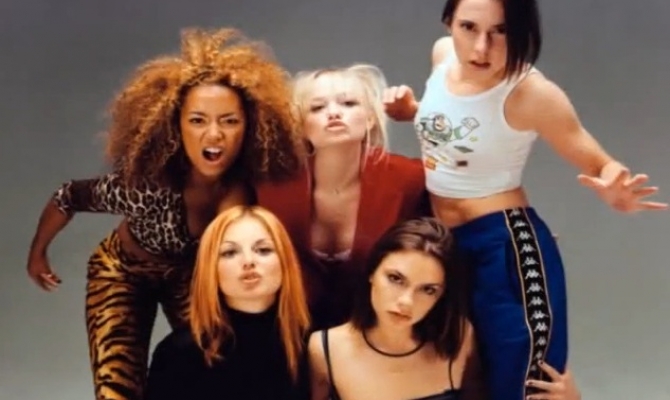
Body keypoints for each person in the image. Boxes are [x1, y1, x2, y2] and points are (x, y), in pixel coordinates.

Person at [382, 0, 668, 398]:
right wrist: (411, 111)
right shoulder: (443, 55)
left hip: (504, 248)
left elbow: (598, 160)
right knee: (447, 372)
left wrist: (614, 187)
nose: (481, 48)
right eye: (469, 27)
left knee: (525, 379)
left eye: (500, 31)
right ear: (449, 23)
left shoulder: (530, 93)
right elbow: (458, 125)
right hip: (442, 243)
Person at [25, 28, 303, 400]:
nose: (214, 135)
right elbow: (68, 196)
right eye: (198, 120)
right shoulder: (144, 185)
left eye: (229, 121)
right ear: (175, 126)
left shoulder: (241, 192)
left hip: (187, 275)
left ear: (250, 126)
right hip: (123, 272)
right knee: (117, 387)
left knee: (214, 360)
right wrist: (38, 253)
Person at [308, 217, 582, 400]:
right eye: (395, 279)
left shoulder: (457, 339)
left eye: (428, 290)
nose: (406, 301)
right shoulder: (325, 349)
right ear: (372, 272)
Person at [256, 64, 429, 330]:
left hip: (381, 330)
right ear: (301, 126)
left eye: (348, 103)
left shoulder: (409, 179)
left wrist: (421, 113)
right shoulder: (272, 185)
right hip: (288, 329)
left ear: (370, 118)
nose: (334, 113)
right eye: (317, 108)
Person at [145, 205, 311, 400]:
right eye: (230, 252)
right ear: (211, 268)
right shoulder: (178, 353)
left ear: (285, 261)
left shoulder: (314, 343)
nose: (248, 261)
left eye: (263, 250)